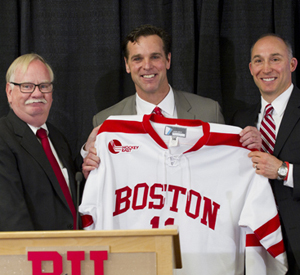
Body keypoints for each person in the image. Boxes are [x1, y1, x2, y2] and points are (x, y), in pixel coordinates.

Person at [82, 24, 261, 176]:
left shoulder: (209, 112)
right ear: (127, 65)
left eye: (155, 57)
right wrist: (87, 157)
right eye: (137, 59)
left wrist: (248, 148)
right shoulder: (106, 122)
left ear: (168, 60)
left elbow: (226, 171)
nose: (147, 66)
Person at [231, 33, 300, 275]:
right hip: (254, 250)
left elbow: (276, 168)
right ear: (251, 69)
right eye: (258, 61)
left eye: (275, 59)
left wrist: (284, 170)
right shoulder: (241, 119)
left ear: (292, 64)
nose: (266, 68)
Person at [0, 53, 79, 231]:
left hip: (74, 253)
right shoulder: (3, 137)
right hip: (36, 256)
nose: (37, 93)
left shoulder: (58, 138)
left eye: (44, 86)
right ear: (9, 92)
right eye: (27, 86)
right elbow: (10, 217)